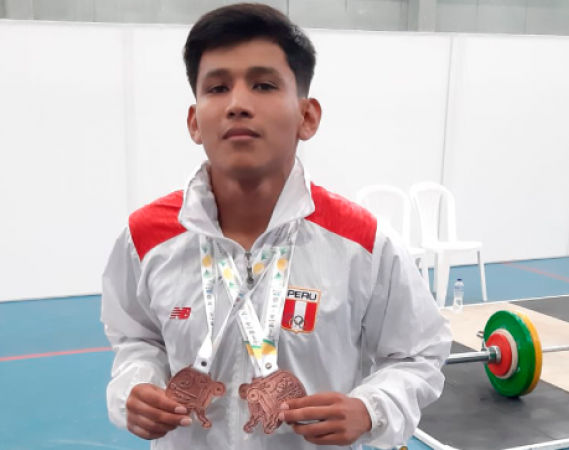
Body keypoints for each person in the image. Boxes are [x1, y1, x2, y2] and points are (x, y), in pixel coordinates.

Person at [100, 3, 452, 449]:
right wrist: (136, 386)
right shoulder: (146, 238)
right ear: (194, 121)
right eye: (217, 88)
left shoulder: (362, 244)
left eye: (263, 85)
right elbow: (136, 337)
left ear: (307, 116)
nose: (238, 104)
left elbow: (419, 354)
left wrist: (371, 408)